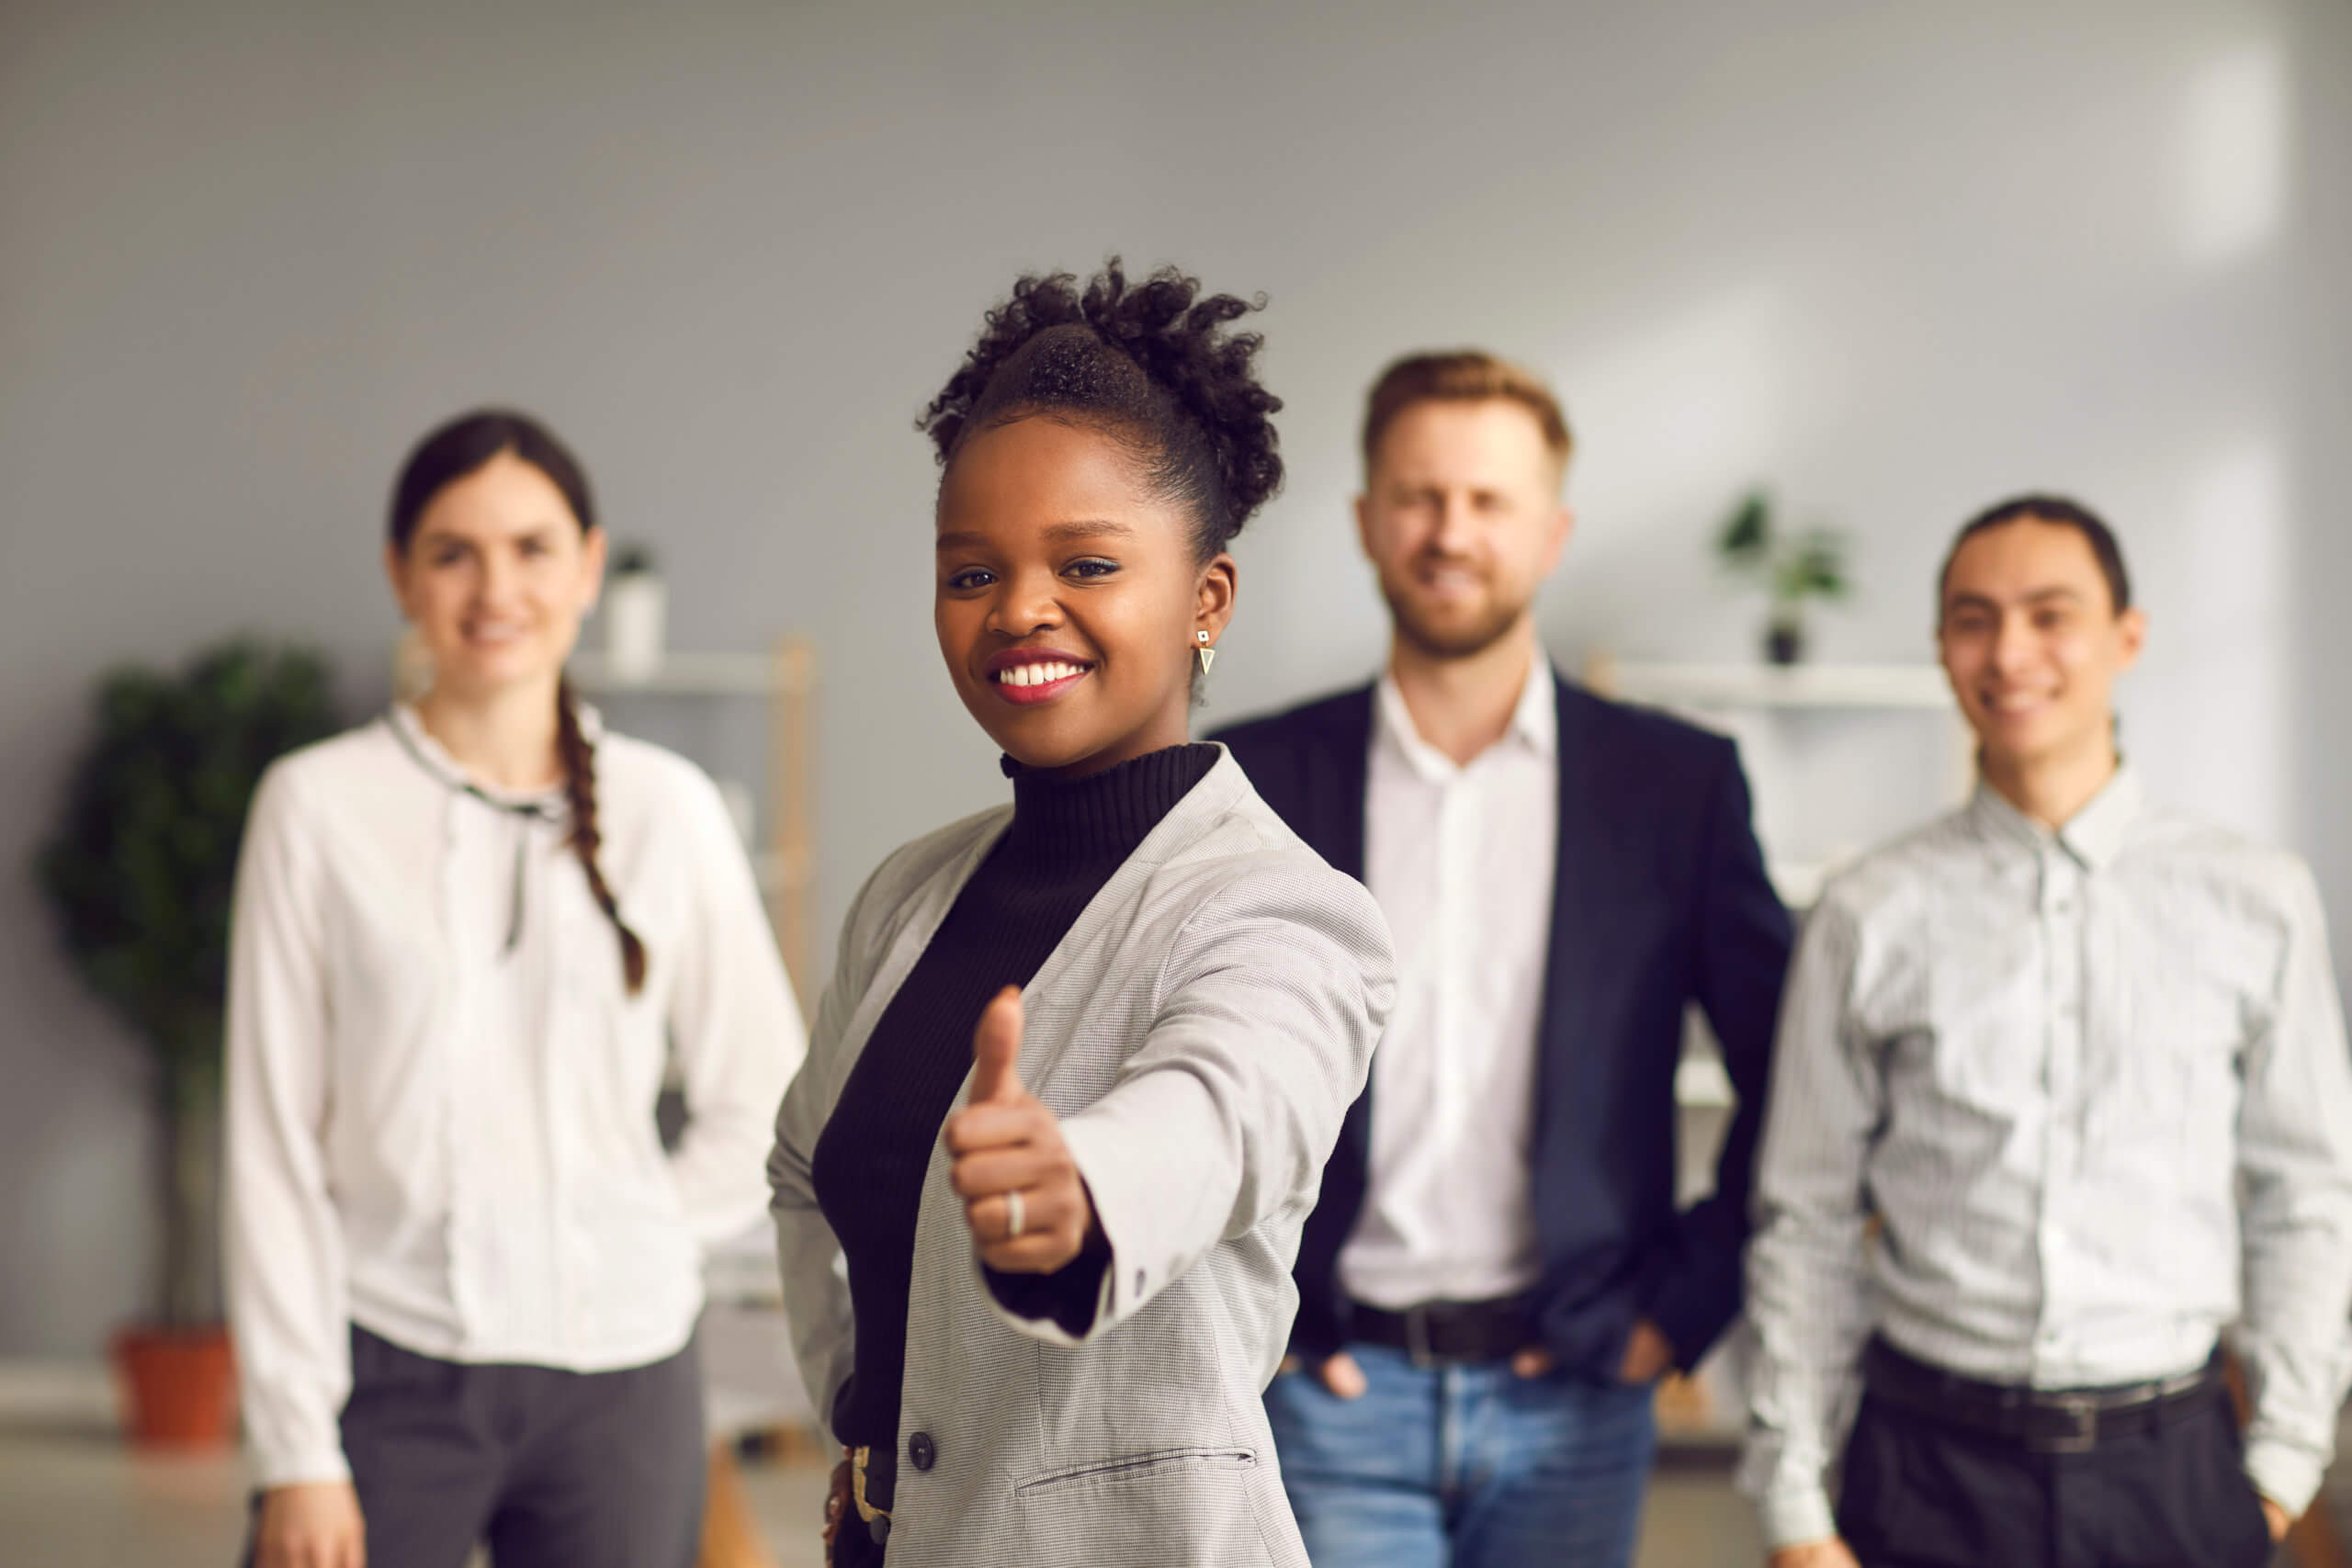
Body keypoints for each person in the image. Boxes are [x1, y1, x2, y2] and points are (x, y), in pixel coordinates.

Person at [766, 261, 1396, 1568]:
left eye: (1089, 561)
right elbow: (801, 1172)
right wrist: (865, 1423)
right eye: (970, 570)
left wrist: (1086, 1188)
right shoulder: (907, 894)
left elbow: (1227, 1110)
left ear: (1205, 599)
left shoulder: (1286, 911)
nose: (1019, 610)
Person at [1215, 350, 1794, 1567]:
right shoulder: (1254, 780)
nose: (1450, 531)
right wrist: (1238, 1315)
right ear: (1369, 522)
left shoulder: (1674, 786)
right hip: (1327, 1384)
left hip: (1577, 1390)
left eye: (1488, 501)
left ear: (1551, 531)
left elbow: (1794, 1083)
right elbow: (1185, 1067)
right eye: (1420, 496)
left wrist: (1675, 1311)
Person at [224, 411, 806, 1568]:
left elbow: (769, 1098)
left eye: (533, 549)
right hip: (385, 1372)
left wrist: (636, 1227)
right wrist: (295, 1447)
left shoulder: (669, 809)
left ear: (588, 568)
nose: (496, 587)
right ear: (402, 576)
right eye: (453, 552)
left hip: (624, 1386)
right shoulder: (315, 807)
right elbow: (272, 1145)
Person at [1740, 495, 2352, 1568]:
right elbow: (1809, 1214)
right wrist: (1796, 1503)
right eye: (1973, 619)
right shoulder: (1866, 908)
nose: (2009, 651)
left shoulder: (2256, 896)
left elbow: (2307, 1196)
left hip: (2174, 1476)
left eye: (2048, 613)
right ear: (1941, 649)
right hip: (1925, 1472)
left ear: (2127, 636)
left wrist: (2282, 1466)